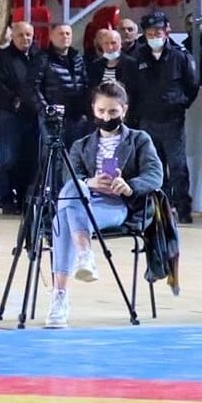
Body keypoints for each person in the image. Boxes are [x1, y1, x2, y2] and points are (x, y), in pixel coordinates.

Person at [45, 82, 163, 328]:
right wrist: (90, 182)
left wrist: (129, 185)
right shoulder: (81, 145)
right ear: (93, 109)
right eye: (101, 111)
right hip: (85, 199)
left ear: (124, 110)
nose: (106, 117)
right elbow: (69, 177)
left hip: (118, 205)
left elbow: (155, 174)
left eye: (112, 112)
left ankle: (61, 295)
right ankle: (82, 259)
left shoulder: (140, 140)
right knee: (73, 191)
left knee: (62, 218)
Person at [123, 11, 199, 222]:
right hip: (147, 120)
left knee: (177, 166)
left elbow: (192, 85)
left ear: (167, 31)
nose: (154, 36)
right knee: (153, 167)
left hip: (173, 120)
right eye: (150, 33)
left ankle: (183, 208)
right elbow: (131, 88)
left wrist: (180, 103)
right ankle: (159, 209)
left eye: (158, 32)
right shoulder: (136, 57)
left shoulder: (180, 56)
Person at [0, 21, 40, 214]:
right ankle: (6, 199)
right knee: (8, 159)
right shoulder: (2, 58)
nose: (25, 38)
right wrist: (14, 101)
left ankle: (25, 199)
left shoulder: (38, 56)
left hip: (33, 115)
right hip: (11, 115)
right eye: (21, 35)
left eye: (28, 35)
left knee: (29, 159)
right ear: (13, 36)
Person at [32, 22, 90, 144]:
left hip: (77, 117)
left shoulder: (77, 58)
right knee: (54, 153)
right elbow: (33, 87)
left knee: (76, 152)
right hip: (53, 119)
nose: (65, 36)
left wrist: (86, 111)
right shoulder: (43, 58)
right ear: (51, 36)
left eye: (68, 33)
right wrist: (46, 110)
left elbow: (85, 85)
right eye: (61, 34)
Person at [86, 27, 130, 92]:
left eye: (113, 43)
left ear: (121, 44)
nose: (110, 47)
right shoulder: (95, 66)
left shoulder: (131, 64)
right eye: (106, 43)